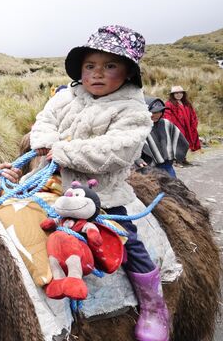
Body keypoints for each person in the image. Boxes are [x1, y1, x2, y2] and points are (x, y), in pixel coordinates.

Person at [30, 25, 168, 341]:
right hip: (52, 186)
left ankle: (153, 304)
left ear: (128, 73)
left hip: (103, 194)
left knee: (128, 240)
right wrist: (45, 140)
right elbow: (43, 123)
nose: (97, 74)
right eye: (90, 66)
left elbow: (115, 151)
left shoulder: (133, 109)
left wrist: (61, 149)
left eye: (109, 66)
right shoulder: (66, 97)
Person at [135, 97, 189, 178]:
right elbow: (132, 147)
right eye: (153, 112)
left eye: (160, 111)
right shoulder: (140, 128)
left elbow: (180, 140)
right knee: (157, 190)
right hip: (149, 168)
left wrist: (178, 156)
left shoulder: (166, 124)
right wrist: (137, 159)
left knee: (173, 188)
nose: (157, 114)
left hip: (167, 166)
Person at [164, 85, 201, 154]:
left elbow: (193, 115)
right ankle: (176, 160)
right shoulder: (169, 104)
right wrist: (173, 127)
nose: (179, 95)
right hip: (178, 127)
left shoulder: (186, 103)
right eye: (176, 93)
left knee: (187, 142)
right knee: (177, 143)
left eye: (181, 93)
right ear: (172, 94)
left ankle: (183, 158)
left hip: (188, 127)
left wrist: (194, 124)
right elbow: (167, 116)